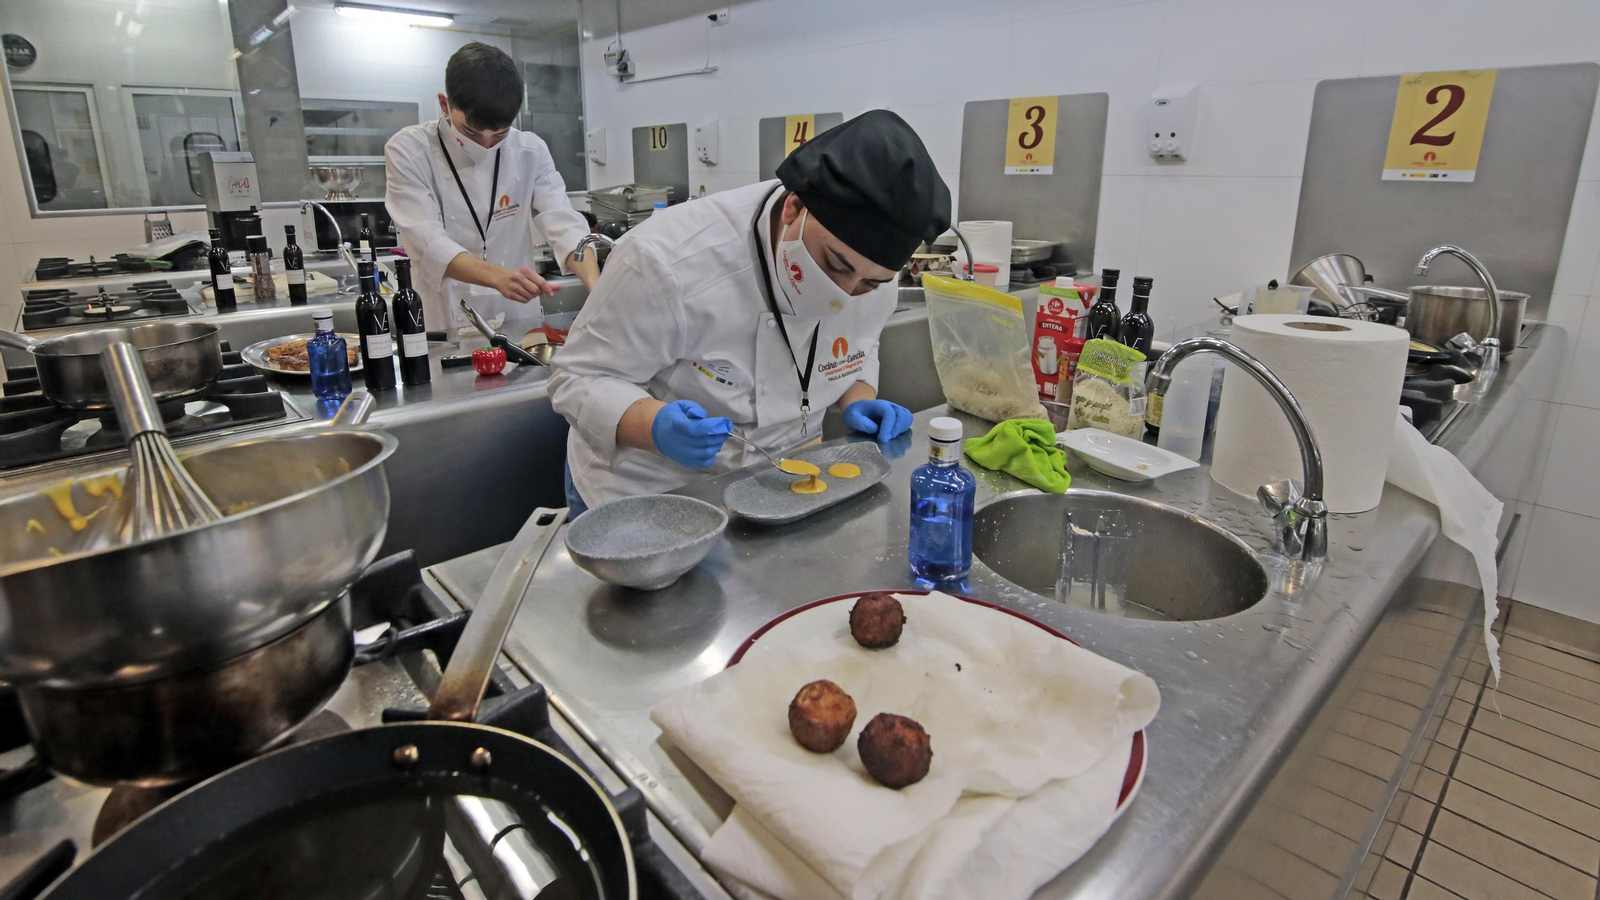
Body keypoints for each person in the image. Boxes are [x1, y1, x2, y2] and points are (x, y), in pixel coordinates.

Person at [550, 110, 951, 514]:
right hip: (647, 493)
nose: (844, 295)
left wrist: (855, 398)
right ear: (794, 208)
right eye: (835, 265)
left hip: (777, 486)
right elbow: (577, 378)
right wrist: (653, 426)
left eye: (868, 284)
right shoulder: (666, 260)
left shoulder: (872, 275)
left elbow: (857, 348)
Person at [384, 42, 598, 336]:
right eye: (471, 132)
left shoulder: (529, 150)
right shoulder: (409, 151)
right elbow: (427, 242)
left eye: (500, 134)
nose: (486, 145)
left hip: (518, 319)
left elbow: (564, 224)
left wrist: (598, 290)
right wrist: (499, 277)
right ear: (445, 104)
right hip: (445, 318)